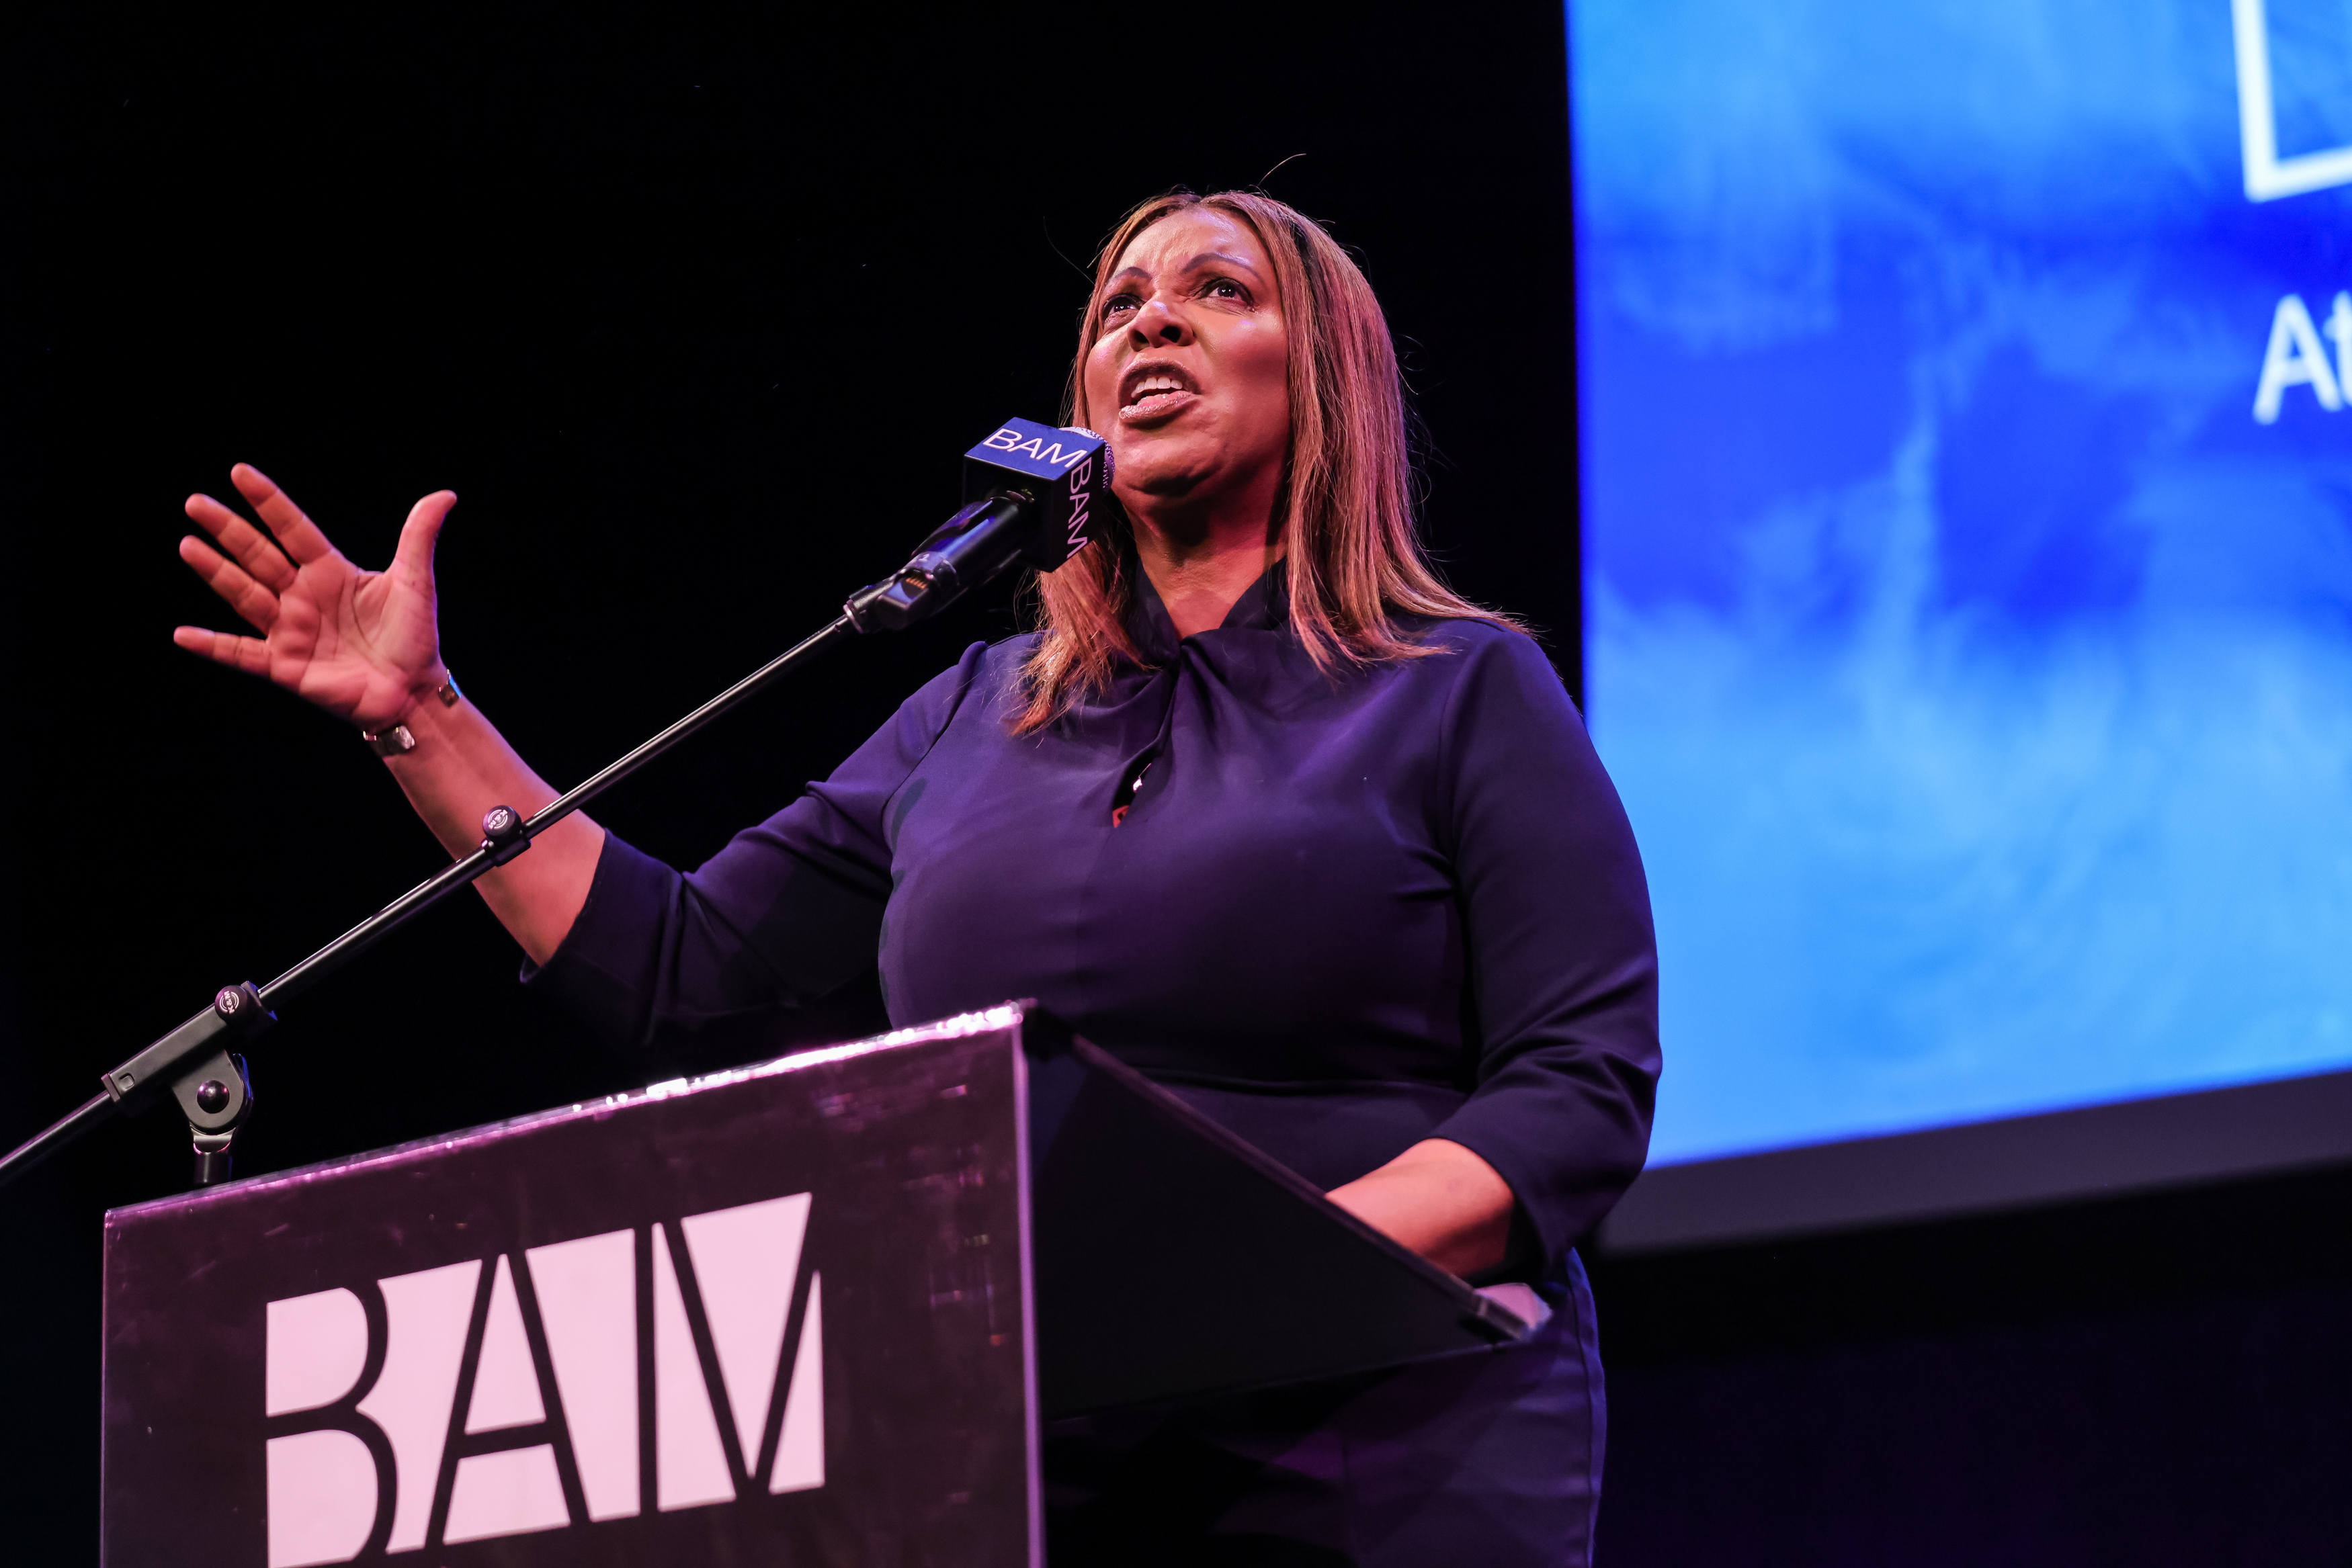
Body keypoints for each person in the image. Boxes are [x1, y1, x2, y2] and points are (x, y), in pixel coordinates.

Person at [174, 189, 1660, 1566]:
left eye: (1218, 291)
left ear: (1324, 381)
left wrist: (1270, 1268)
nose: (1149, 320)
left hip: (1374, 1443)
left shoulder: (1455, 687)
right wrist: (423, 719)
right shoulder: (977, 706)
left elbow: (1574, 1085)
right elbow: (683, 970)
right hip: (1022, 1453)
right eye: (1119, 306)